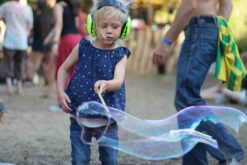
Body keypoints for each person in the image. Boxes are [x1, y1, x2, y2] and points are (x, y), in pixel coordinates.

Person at [152, 0, 244, 164]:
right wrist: (217, 31)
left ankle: (229, 150)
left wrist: (165, 42)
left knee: (186, 97)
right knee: (188, 100)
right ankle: (195, 161)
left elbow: (190, 4)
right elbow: (227, 5)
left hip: (199, 31)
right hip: (205, 30)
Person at [56, 0, 131, 164]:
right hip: (79, 114)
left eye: (115, 27)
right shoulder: (82, 47)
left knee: (110, 159)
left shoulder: (120, 54)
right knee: (80, 158)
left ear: (124, 29)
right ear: (93, 25)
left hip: (107, 117)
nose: (109, 31)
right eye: (104, 26)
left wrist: (106, 84)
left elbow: (118, 81)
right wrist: (60, 92)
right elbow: (63, 69)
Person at [44, 0, 82, 85]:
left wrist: (55, 43)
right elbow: (76, 25)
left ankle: (63, 94)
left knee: (63, 70)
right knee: (74, 70)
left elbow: (59, 25)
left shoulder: (59, 6)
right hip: (77, 39)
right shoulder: (73, 7)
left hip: (67, 40)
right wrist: (48, 38)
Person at [0, 0, 33, 95]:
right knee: (21, 64)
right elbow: (30, 26)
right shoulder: (27, 9)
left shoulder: (6, 6)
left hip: (9, 40)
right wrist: (25, 35)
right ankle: (19, 89)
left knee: (7, 63)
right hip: (22, 41)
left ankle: (9, 88)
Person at [28, 0, 56, 98]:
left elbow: (32, 31)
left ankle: (30, 80)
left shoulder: (36, 17)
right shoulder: (50, 16)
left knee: (34, 63)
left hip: (38, 44)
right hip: (48, 45)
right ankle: (48, 82)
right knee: (48, 65)